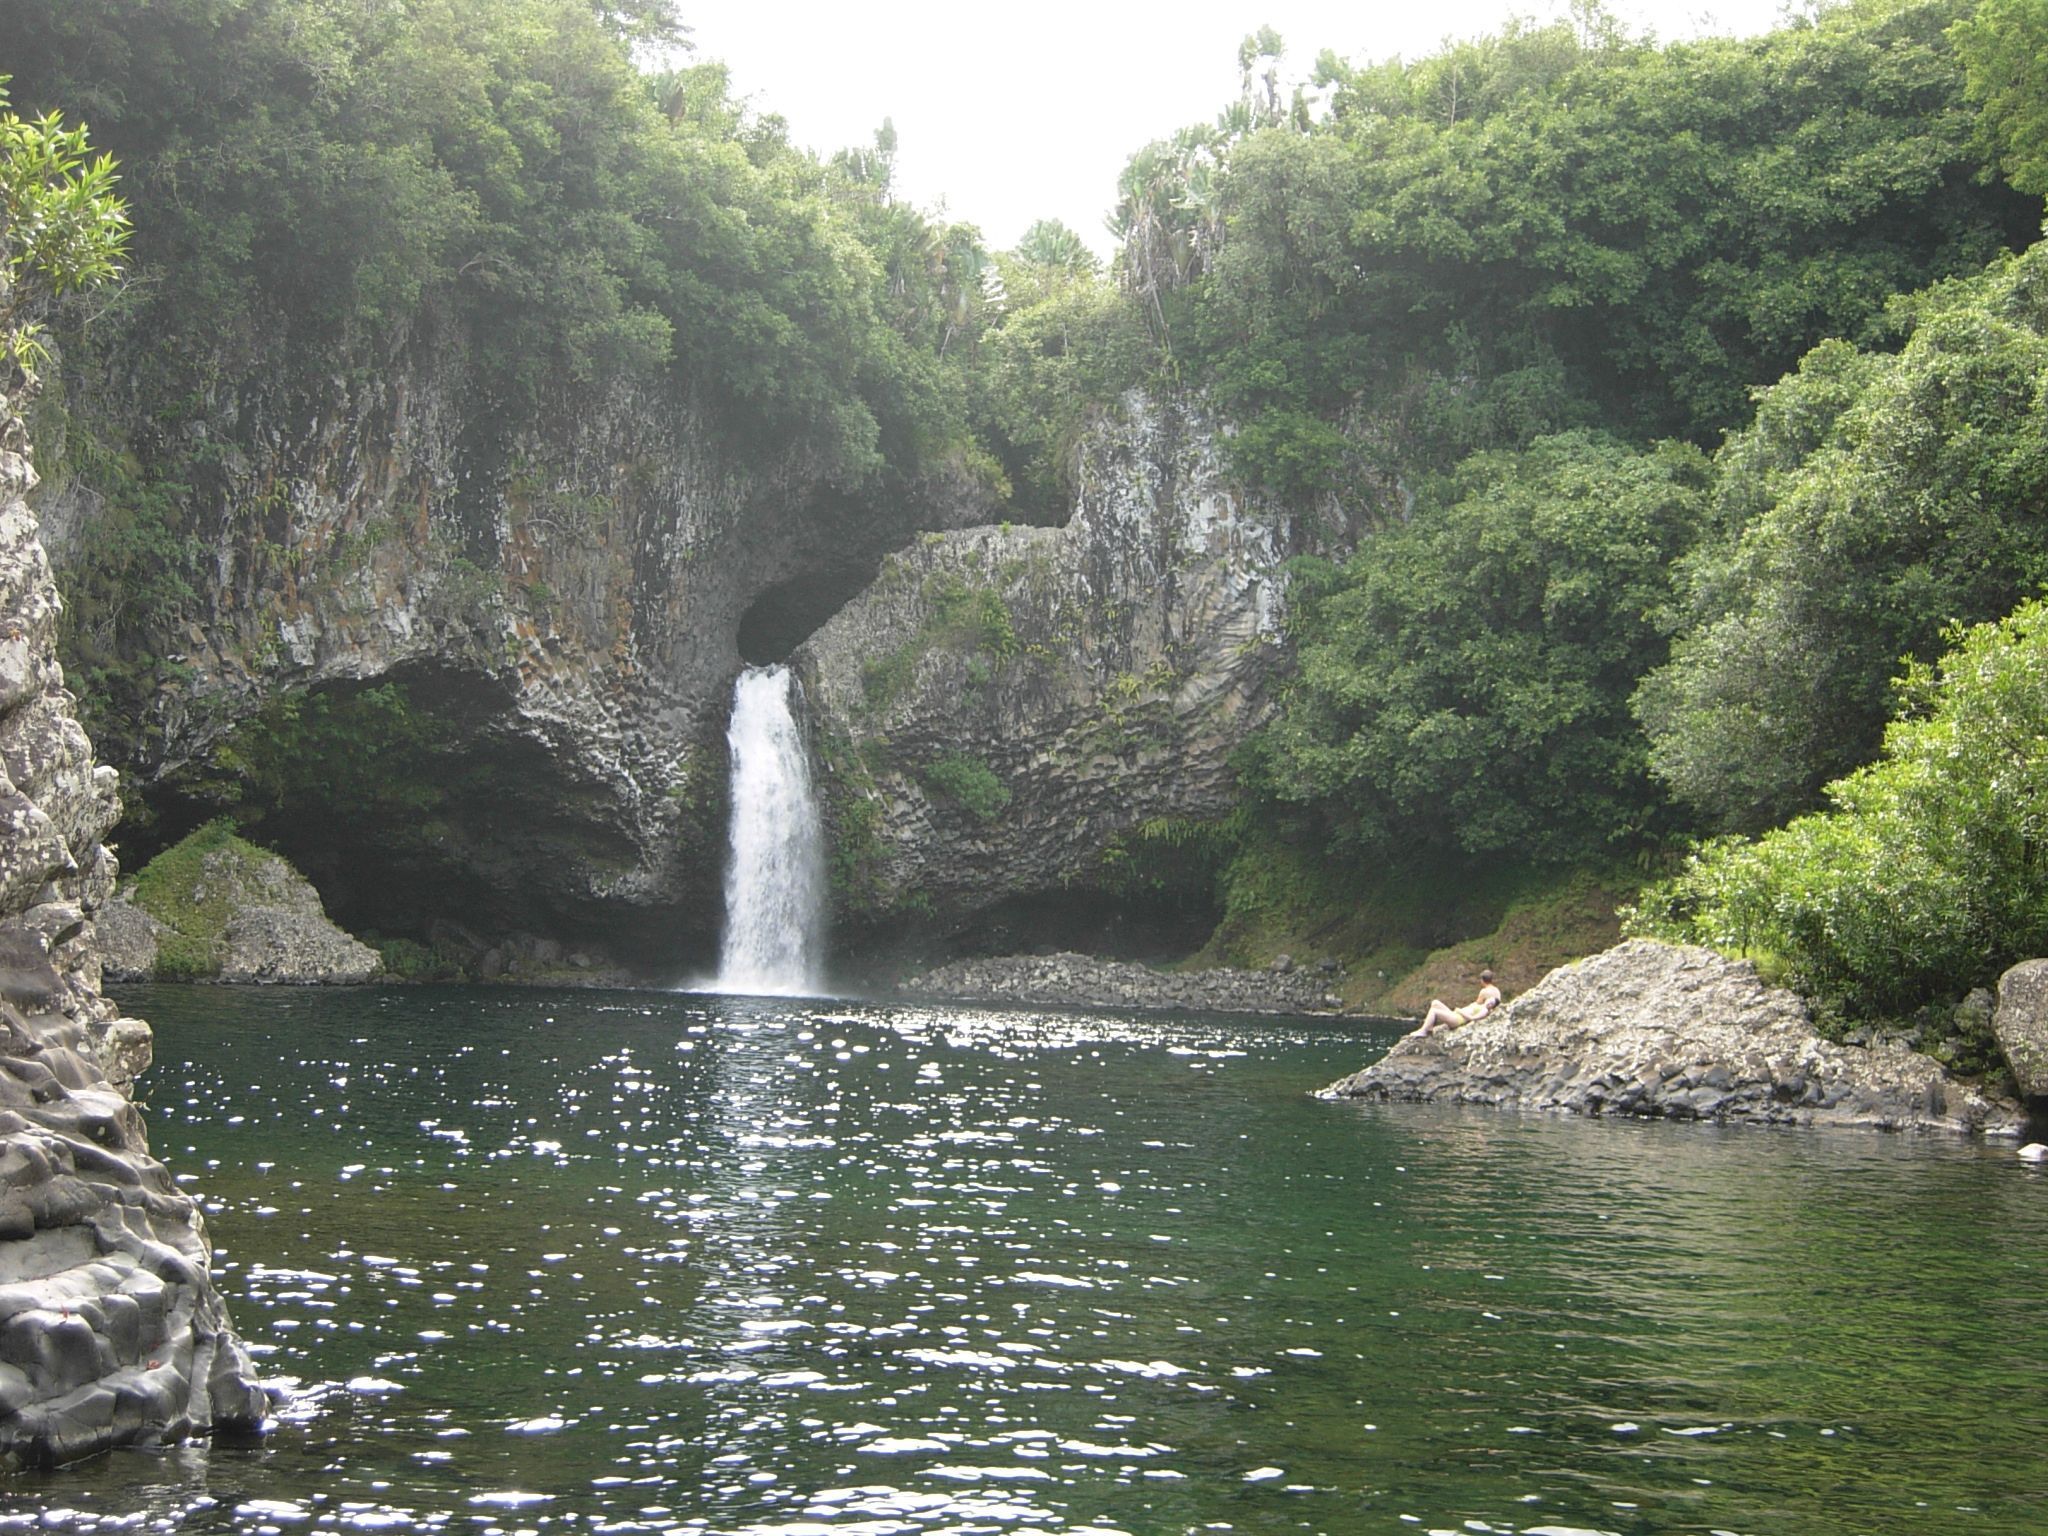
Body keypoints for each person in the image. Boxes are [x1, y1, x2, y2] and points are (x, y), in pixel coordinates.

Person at [1416, 969, 1501, 1036]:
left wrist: (1460, 1011)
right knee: (1435, 1003)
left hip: (1458, 1018)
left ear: (1482, 980)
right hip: (1457, 1014)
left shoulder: (1484, 1008)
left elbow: (1472, 1018)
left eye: (1491, 1002)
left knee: (1434, 1011)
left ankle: (1423, 1031)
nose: (1489, 1001)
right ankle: (1429, 1028)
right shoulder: (1496, 991)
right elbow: (1497, 1001)